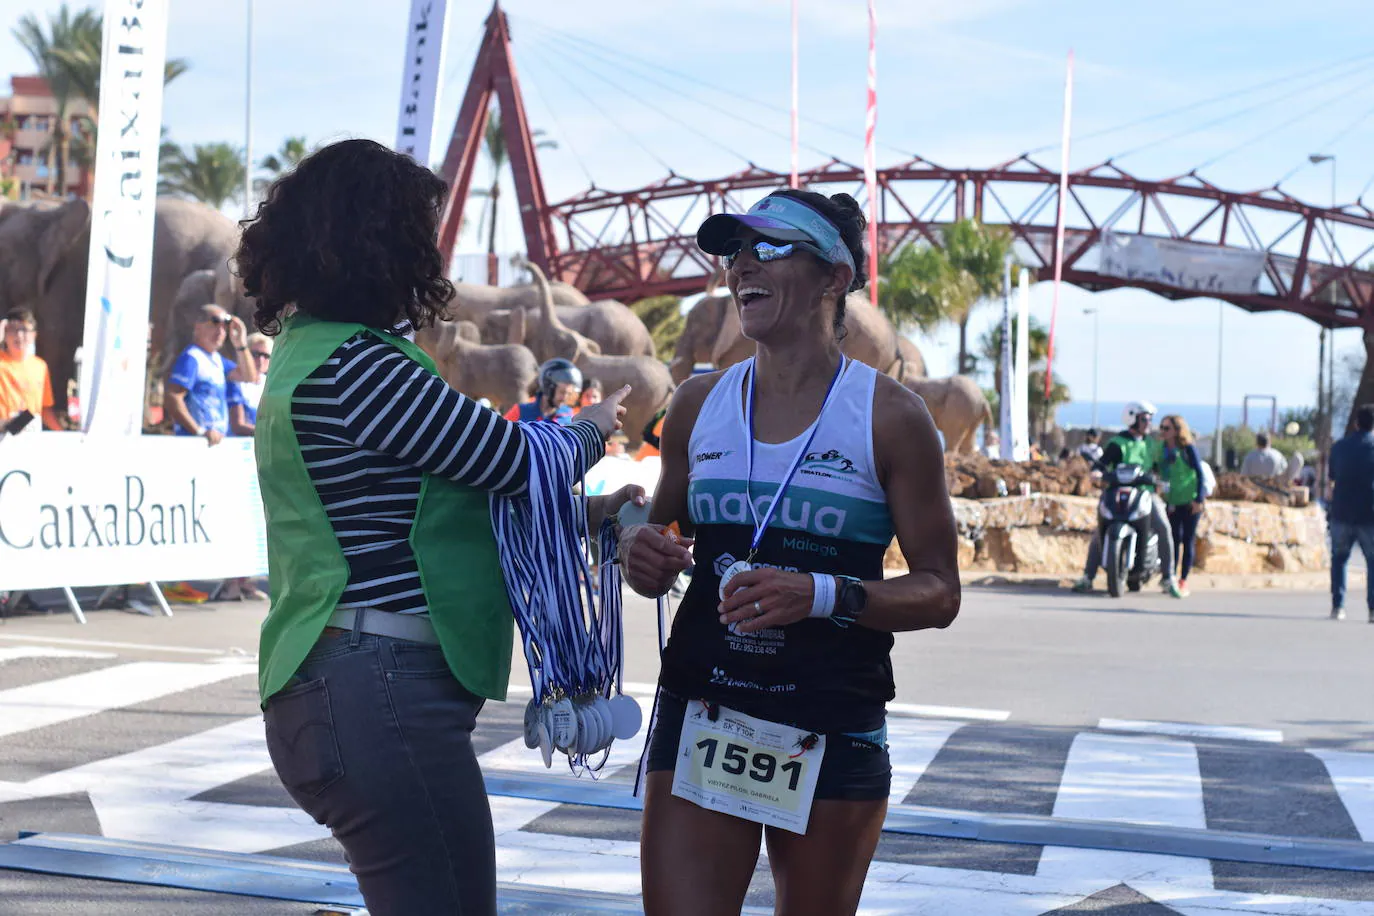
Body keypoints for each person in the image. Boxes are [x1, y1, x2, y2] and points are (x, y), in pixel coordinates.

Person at [240, 138, 634, 915]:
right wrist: (598, 424)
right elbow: (515, 462)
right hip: (376, 686)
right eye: (421, 232)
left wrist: (589, 518)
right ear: (379, 242)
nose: (433, 249)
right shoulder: (361, 365)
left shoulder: (306, 354)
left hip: (340, 682)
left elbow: (439, 508)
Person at [619, 187, 960, 916]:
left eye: (769, 247)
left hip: (828, 718)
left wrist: (822, 594)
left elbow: (940, 592)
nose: (743, 264)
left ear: (834, 278)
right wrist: (640, 552)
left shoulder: (891, 417)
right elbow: (664, 537)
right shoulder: (695, 405)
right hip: (705, 705)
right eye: (735, 251)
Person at [1072, 400, 1182, 598]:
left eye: (1149, 419)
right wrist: (1097, 473)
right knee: (1100, 531)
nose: (1148, 423)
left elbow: (1159, 468)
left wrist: (1161, 480)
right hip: (1117, 493)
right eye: (1144, 419)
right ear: (1133, 418)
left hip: (1145, 494)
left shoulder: (1152, 444)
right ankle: (1087, 577)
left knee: (1163, 527)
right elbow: (1102, 464)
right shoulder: (1118, 443)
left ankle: (1168, 577)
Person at [165, 304, 259, 443]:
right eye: (215, 322)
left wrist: (241, 344)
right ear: (198, 326)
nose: (221, 330)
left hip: (213, 442)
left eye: (225, 325)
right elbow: (173, 398)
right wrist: (199, 431)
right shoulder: (192, 357)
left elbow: (249, 377)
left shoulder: (217, 360)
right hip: (195, 443)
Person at [1327, 405, 1374, 621]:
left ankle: (1338, 606)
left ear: (1356, 423)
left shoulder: (1339, 447)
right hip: (1369, 513)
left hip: (1342, 511)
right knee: (1372, 562)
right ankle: (1372, 609)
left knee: (1339, 559)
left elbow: (1332, 477)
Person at [1159, 415, 1206, 597]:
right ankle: (1169, 576)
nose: (1163, 432)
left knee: (1187, 540)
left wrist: (1199, 499)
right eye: (1162, 427)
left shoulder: (1188, 449)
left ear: (1177, 430)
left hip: (1190, 502)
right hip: (1171, 501)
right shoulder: (1162, 450)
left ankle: (1183, 579)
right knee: (1172, 540)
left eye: (1167, 428)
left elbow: (1200, 474)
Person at [0, 307, 63, 432]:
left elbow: (45, 408)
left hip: (30, 434)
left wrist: (61, 433)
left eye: (24, 330)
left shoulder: (40, 366)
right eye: (13, 330)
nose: (19, 335)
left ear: (33, 335)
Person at [503, 358, 579, 424]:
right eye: (562, 392)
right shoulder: (520, 411)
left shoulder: (569, 415)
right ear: (548, 387)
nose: (565, 397)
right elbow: (500, 434)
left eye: (569, 393)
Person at [227, 333, 273, 436]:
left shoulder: (270, 384)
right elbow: (238, 426)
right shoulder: (235, 381)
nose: (261, 360)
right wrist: (272, 434)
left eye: (266, 356)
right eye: (256, 354)